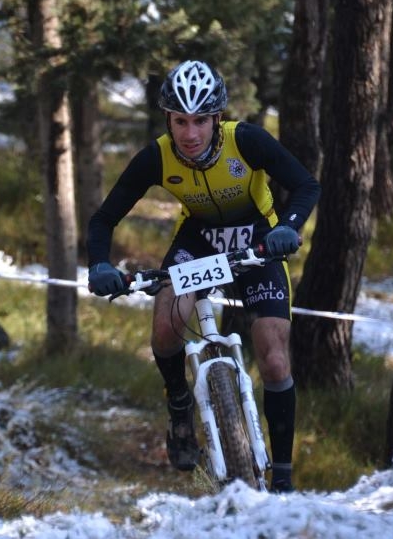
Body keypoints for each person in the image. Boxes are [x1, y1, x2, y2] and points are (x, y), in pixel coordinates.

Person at [86, 60, 320, 493]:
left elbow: (307, 185)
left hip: (258, 240)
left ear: (217, 118)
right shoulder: (156, 157)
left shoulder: (246, 141)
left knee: (273, 357)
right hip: (198, 242)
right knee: (166, 327)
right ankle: (179, 404)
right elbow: (103, 220)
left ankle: (283, 475)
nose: (189, 134)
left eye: (200, 121)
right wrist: (99, 264)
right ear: (168, 120)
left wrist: (289, 225)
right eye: (180, 121)